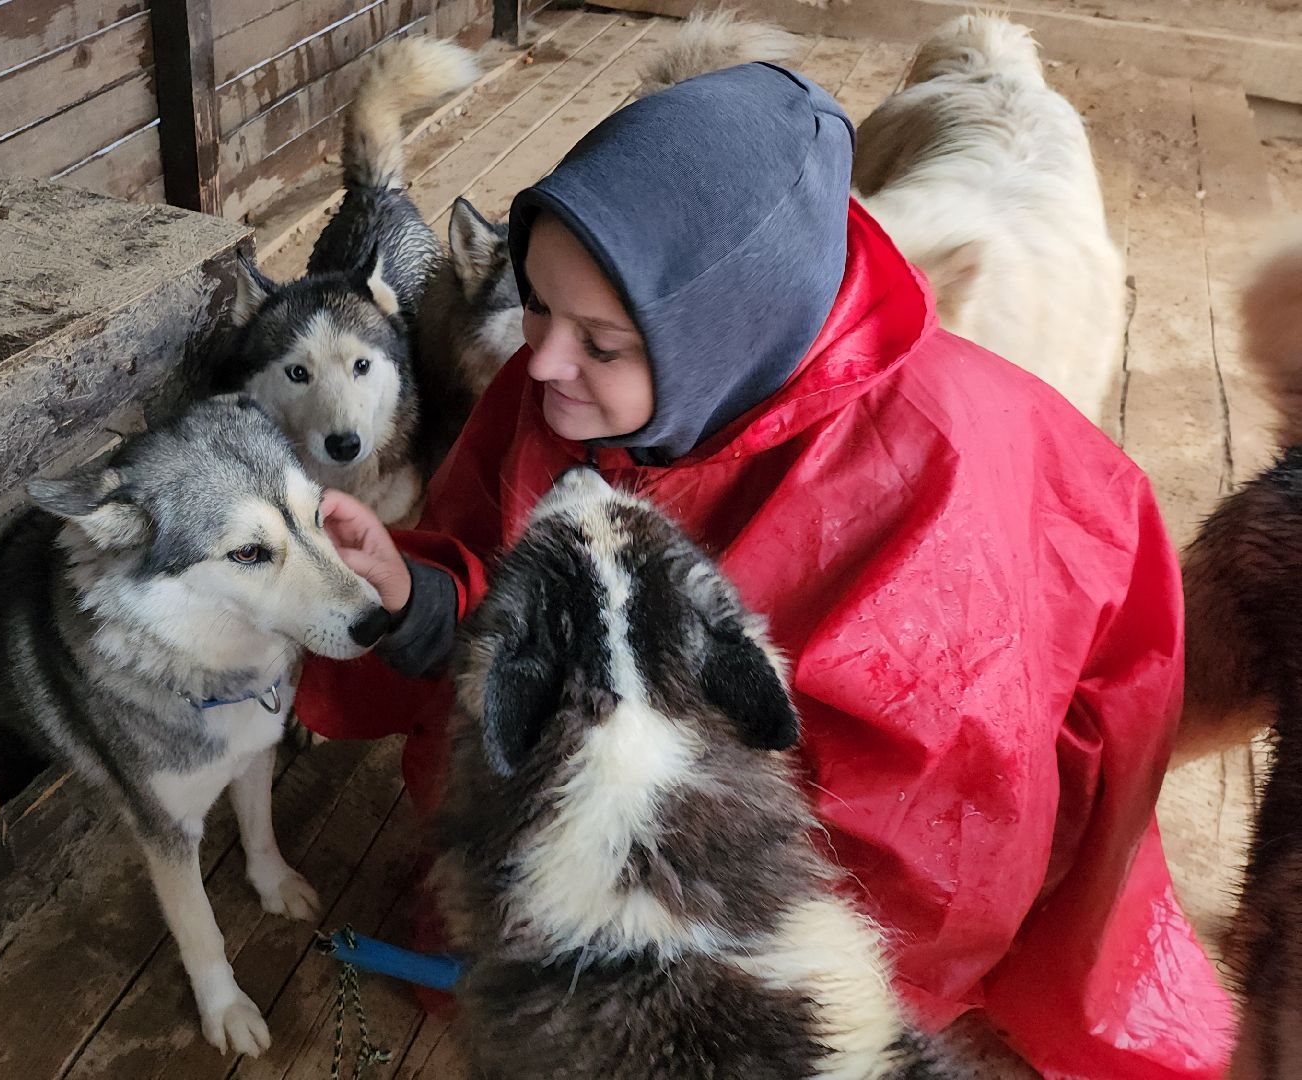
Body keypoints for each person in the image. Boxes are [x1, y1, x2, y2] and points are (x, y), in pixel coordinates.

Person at [297, 61, 1233, 1078]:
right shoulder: (578, 379)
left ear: (715, 333)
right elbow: (507, 573)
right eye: (536, 305)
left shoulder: (937, 480)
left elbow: (932, 842)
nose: (544, 361)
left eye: (598, 341)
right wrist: (416, 595)